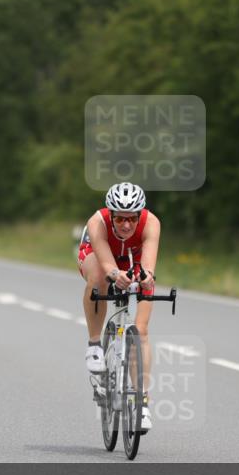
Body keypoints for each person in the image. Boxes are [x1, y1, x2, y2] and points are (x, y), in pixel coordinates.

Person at [77, 182, 160, 432]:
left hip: (134, 258)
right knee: (99, 278)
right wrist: (115, 274)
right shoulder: (97, 222)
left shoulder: (151, 223)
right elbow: (106, 264)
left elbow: (148, 265)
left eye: (132, 219)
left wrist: (146, 277)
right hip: (98, 256)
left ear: (139, 215)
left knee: (141, 331)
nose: (126, 225)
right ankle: (94, 346)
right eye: (120, 218)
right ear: (111, 214)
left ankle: (141, 404)